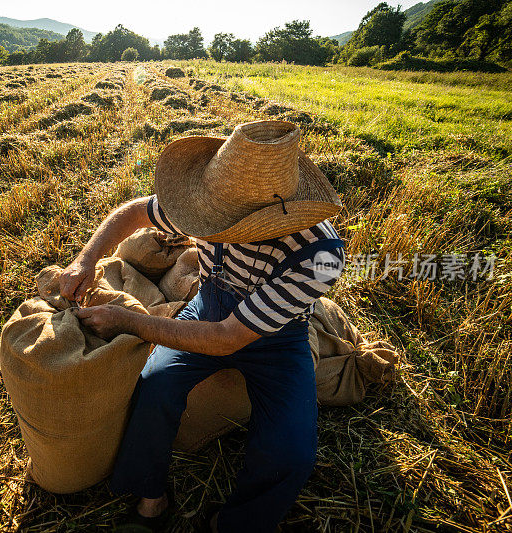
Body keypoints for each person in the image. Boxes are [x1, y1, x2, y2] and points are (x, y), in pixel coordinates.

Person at [59, 120, 345, 532]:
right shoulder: (204, 205)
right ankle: (152, 502)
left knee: (292, 453)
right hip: (208, 306)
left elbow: (227, 338)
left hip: (278, 341)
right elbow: (135, 212)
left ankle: (233, 523)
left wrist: (129, 322)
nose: (216, 230)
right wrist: (85, 259)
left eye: (235, 230)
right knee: (154, 387)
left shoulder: (320, 255)